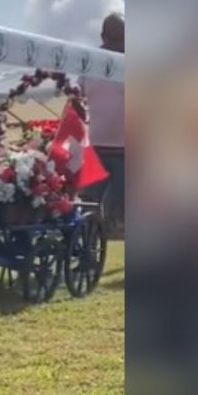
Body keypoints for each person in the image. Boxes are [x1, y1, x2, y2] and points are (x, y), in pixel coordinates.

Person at [80, 12, 124, 233]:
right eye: (116, 39)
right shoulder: (89, 63)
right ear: (103, 36)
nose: (120, 44)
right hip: (98, 146)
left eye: (123, 39)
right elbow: (78, 98)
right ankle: (94, 234)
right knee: (91, 203)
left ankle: (112, 229)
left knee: (119, 203)